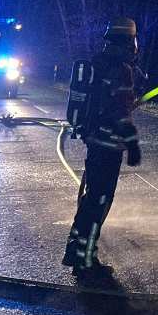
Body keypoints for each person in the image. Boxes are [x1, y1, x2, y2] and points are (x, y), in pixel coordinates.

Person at [62, 17, 142, 278]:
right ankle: (86, 260)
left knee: (91, 199)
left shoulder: (99, 62)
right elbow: (120, 113)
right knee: (100, 201)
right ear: (129, 40)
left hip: (94, 139)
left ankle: (75, 249)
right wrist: (131, 143)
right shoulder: (121, 69)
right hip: (109, 145)